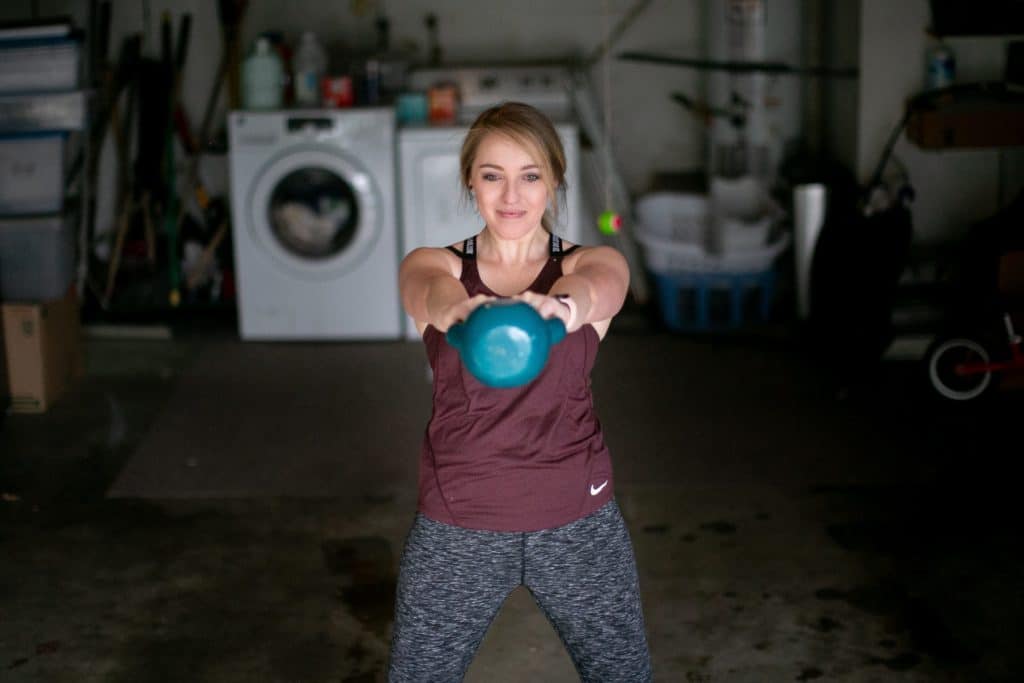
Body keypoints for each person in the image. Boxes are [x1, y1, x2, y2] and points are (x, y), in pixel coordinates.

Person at [388, 101, 652, 682]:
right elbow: (423, 291)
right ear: (470, 182)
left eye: (530, 175)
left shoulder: (585, 263)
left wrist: (560, 307)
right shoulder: (439, 266)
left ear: (555, 179)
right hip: (459, 521)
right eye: (492, 175)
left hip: (578, 519)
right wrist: (460, 311)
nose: (512, 195)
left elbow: (604, 287)